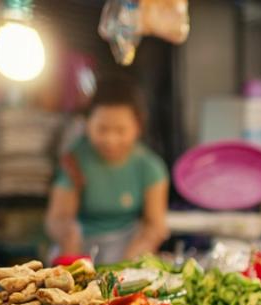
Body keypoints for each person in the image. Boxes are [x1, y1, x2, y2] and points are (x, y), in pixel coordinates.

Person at [45, 80, 169, 265]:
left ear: (138, 127)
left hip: (130, 248)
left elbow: (155, 227)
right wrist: (71, 249)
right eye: (102, 129)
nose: (111, 140)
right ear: (87, 125)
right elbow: (57, 218)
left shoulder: (151, 167)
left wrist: (126, 267)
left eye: (120, 130)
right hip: (81, 246)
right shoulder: (74, 160)